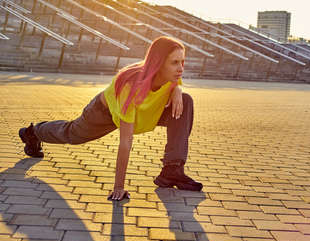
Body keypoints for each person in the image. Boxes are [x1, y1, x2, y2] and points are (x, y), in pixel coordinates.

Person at [18, 36, 203, 201]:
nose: (181, 68)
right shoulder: (131, 85)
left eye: (182, 62)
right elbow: (125, 141)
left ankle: (172, 169)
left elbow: (177, 83)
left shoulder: (172, 75)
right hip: (103, 113)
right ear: (159, 63)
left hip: (142, 113)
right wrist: (119, 187)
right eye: (175, 62)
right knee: (71, 134)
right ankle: (33, 132)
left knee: (185, 101)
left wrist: (178, 90)